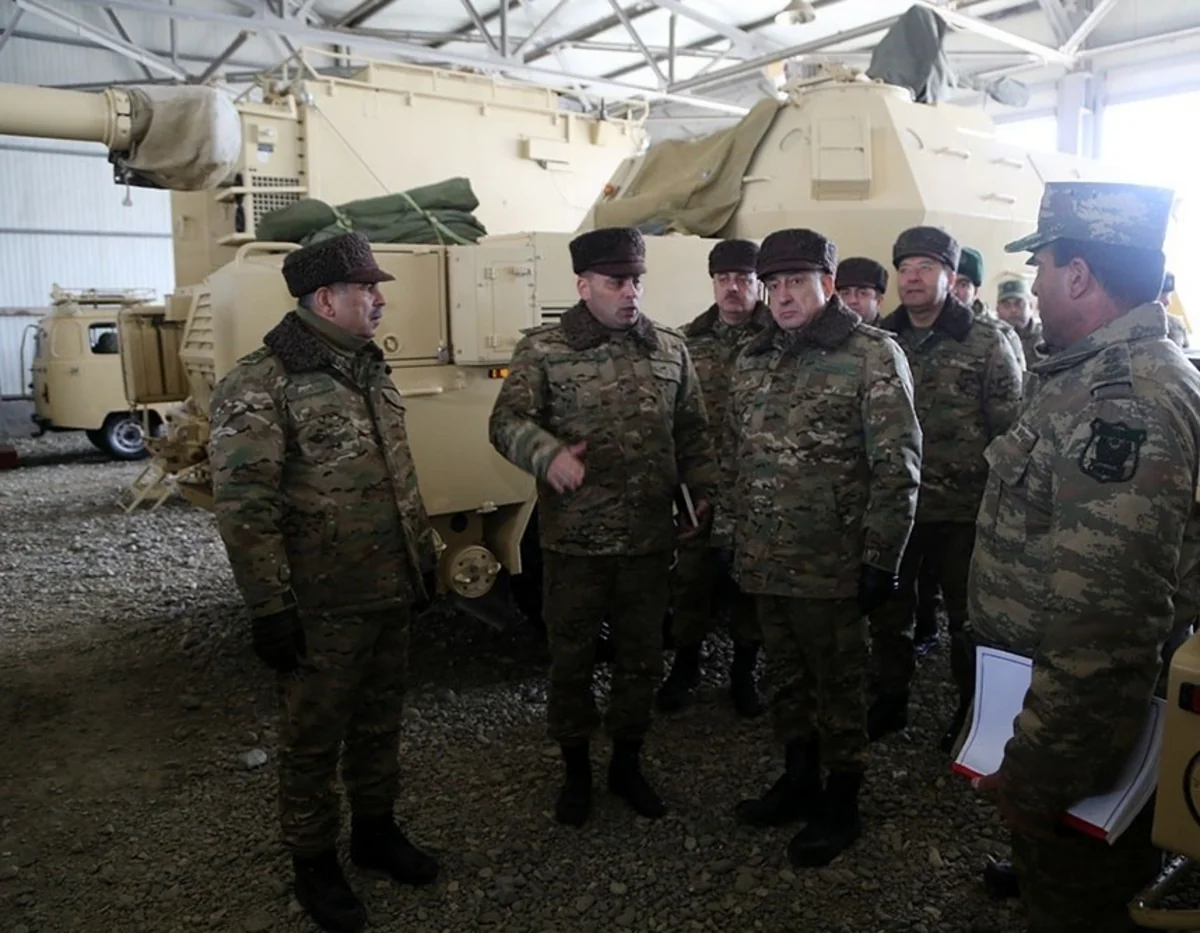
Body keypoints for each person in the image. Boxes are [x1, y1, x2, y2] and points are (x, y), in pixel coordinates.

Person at [968, 180, 1200, 932]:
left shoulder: (1120, 402)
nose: (1032, 284)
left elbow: (1104, 627)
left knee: (1076, 903)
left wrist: (1039, 775)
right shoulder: (1091, 375)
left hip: (1081, 742)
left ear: (1077, 275)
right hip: (1056, 706)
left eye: (1041, 264)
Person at [208, 231, 442, 933]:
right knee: (313, 739)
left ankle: (374, 831)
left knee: (380, 723)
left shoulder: (368, 368)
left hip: (386, 590)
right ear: (325, 299)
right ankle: (314, 862)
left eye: (377, 288)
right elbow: (246, 507)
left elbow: (398, 477)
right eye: (367, 289)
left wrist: (420, 558)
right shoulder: (261, 383)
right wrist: (270, 607)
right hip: (320, 606)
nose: (378, 299)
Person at [488, 226, 718, 827]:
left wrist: (703, 498)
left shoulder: (669, 349)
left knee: (642, 660)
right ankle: (575, 770)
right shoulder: (543, 350)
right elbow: (505, 423)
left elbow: (693, 431)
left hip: (648, 543)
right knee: (572, 660)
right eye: (616, 281)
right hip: (575, 546)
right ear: (583, 284)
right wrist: (549, 456)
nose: (630, 292)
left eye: (636, 280)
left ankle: (627, 762)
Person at [725, 227, 922, 866]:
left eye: (796, 283)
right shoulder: (753, 357)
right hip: (765, 558)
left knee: (839, 686)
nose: (782, 296)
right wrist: (731, 536)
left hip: (835, 565)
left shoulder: (871, 355)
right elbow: (736, 456)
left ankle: (843, 799)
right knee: (785, 678)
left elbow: (898, 466)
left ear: (827, 285)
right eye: (773, 284)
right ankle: (798, 778)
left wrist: (881, 559)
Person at [869, 227, 1023, 748]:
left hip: (964, 511)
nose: (912, 278)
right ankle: (889, 700)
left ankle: (972, 711)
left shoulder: (987, 341)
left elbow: (1011, 431)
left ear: (951, 278)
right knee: (891, 614)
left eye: (925, 268)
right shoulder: (881, 340)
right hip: (899, 508)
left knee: (968, 620)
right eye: (905, 268)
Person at [658, 238, 770, 718]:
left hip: (760, 490)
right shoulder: (687, 342)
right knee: (691, 580)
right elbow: (673, 416)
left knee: (752, 583)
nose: (733, 288)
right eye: (724, 279)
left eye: (743, 279)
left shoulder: (780, 339)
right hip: (702, 486)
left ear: (757, 284)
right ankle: (685, 665)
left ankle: (744, 672)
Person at [995, 276, 1045, 365]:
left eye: (1019, 303)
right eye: (1006, 305)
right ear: (997, 310)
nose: (1013, 310)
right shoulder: (991, 338)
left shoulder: (1045, 337)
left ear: (1030, 306)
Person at [834, 256, 888, 325]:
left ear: (879, 301)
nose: (852, 300)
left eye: (863, 293)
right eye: (845, 293)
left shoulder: (893, 334)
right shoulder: (825, 333)